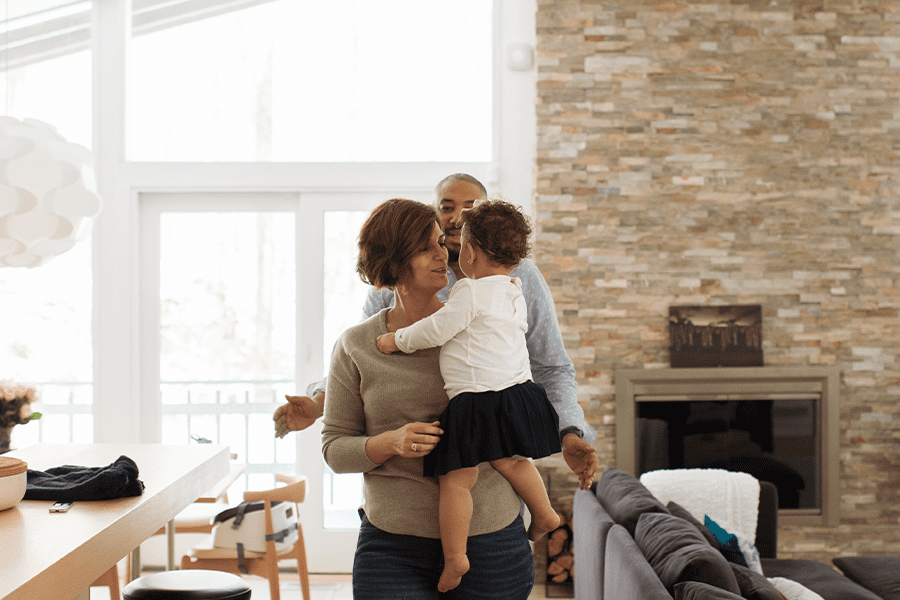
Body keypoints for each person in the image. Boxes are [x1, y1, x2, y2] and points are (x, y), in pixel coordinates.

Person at [274, 173, 598, 489]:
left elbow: (552, 367)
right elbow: (364, 356)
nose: (457, 218)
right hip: (400, 497)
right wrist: (321, 402)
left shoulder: (517, 276)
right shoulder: (390, 285)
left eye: (470, 208)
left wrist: (571, 430)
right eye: (446, 208)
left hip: (495, 491)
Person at [323, 198, 534, 598]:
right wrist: (389, 443)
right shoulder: (356, 346)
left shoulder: (480, 326)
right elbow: (335, 449)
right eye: (426, 248)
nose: (444, 253)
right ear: (392, 260)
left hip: (491, 542)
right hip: (392, 547)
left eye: (442, 242)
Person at [376, 199, 562, 592]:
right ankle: (544, 513)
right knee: (513, 461)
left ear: (471, 252)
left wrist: (396, 341)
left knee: (457, 481)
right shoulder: (514, 291)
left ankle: (456, 557)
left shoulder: (469, 292)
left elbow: (436, 330)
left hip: (476, 399)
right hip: (515, 394)